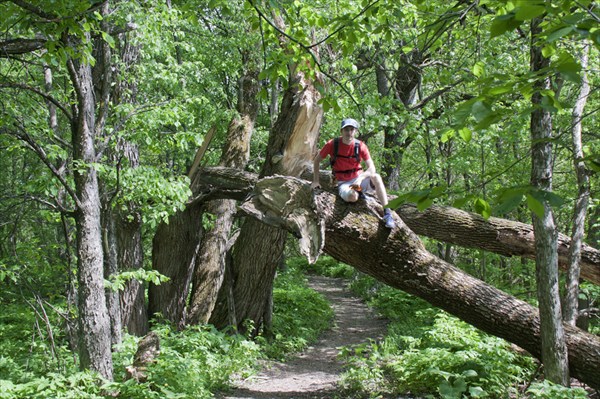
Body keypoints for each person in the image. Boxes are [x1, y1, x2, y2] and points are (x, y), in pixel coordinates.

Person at [311, 118, 396, 229]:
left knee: (377, 177)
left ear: (355, 131)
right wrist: (316, 181)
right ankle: (360, 194)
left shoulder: (360, 146)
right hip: (344, 183)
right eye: (346, 129)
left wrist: (361, 178)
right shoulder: (332, 144)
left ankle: (387, 213)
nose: (349, 133)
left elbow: (372, 168)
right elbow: (317, 161)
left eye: (352, 130)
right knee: (352, 196)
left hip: (359, 180)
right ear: (342, 131)